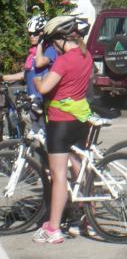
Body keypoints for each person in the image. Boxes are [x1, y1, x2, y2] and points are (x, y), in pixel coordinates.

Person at [31, 16, 92, 244]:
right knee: (80, 167)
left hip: (60, 121)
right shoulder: (86, 56)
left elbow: (46, 86)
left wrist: (38, 82)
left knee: (58, 176)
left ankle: (53, 228)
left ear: (58, 39)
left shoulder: (64, 61)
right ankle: (88, 217)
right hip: (80, 119)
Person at [1, 15, 57, 133]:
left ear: (43, 34)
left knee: (44, 135)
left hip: (44, 101)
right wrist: (3, 77)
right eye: (30, 33)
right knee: (36, 135)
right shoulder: (33, 53)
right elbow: (26, 74)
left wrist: (41, 44)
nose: (31, 36)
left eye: (35, 33)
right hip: (32, 101)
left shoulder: (49, 50)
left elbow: (39, 64)